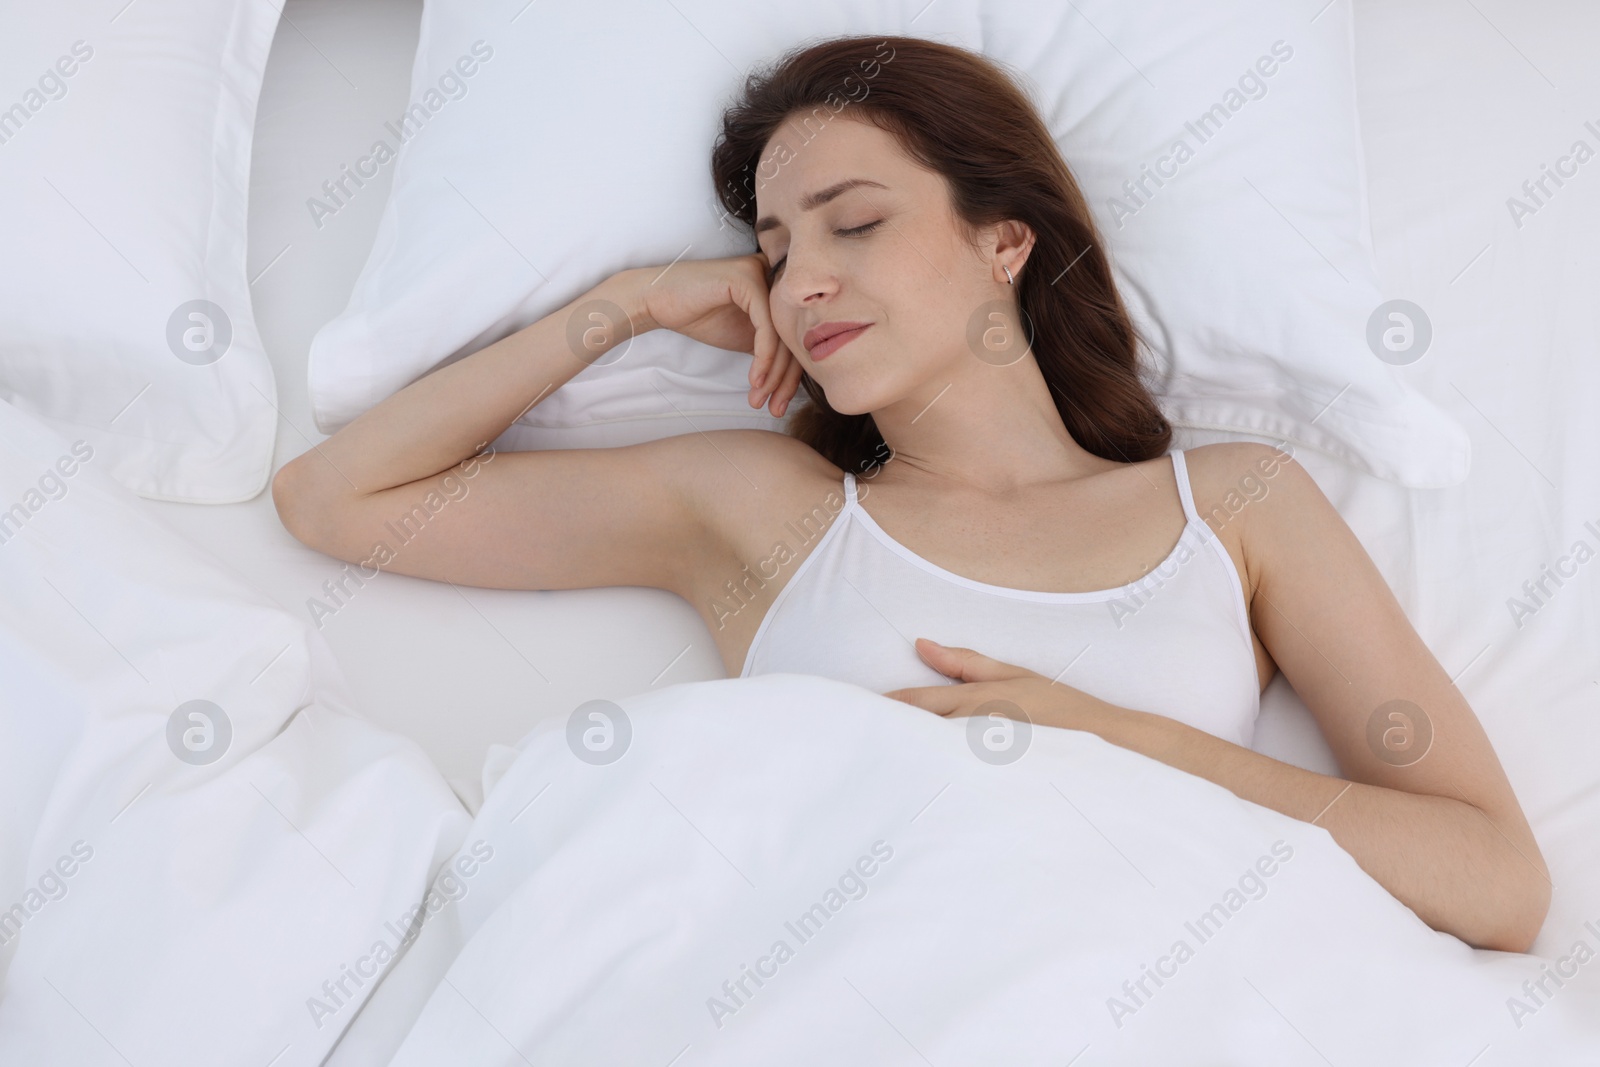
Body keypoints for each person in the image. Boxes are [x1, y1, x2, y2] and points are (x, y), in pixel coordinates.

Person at [272, 35, 1548, 953]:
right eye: (772, 254)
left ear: (1004, 240)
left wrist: (1107, 732)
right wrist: (634, 302)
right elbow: (336, 499)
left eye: (854, 223)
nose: (800, 282)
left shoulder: (1234, 505)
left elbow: (1494, 880)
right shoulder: (764, 510)